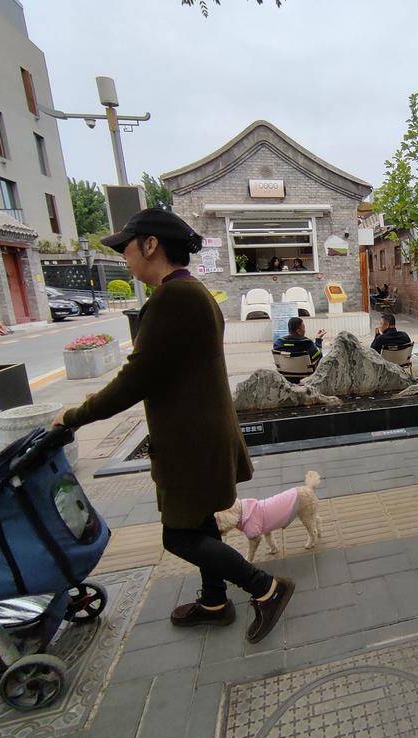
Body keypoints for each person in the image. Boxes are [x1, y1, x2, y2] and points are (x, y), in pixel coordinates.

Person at [52, 208, 294, 644]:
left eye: (125, 247)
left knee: (178, 537)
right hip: (203, 435)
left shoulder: (172, 299)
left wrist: (73, 417)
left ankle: (266, 588)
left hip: (191, 443)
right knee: (199, 523)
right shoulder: (194, 293)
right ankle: (214, 603)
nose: (124, 258)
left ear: (150, 245)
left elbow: (134, 380)